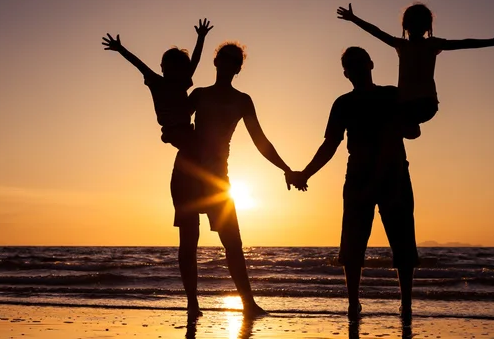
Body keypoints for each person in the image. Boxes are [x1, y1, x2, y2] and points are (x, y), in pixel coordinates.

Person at [286, 47, 418, 321]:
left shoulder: (392, 94)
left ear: (370, 64)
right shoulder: (344, 103)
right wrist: (306, 173)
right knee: (354, 243)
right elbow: (330, 144)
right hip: (360, 175)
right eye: (351, 66)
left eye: (359, 63)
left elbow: (414, 131)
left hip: (393, 174)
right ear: (346, 73)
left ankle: (405, 305)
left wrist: (403, 117)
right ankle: (353, 304)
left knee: (401, 240)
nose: (356, 69)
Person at [173, 41, 295, 318]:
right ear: (216, 62)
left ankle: (248, 304)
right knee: (188, 241)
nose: (229, 64)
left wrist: (285, 168)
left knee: (233, 243)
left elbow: (260, 141)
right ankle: (192, 305)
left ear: (238, 68)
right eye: (225, 59)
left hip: (218, 179)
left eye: (234, 61)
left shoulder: (242, 100)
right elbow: (174, 121)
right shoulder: (199, 94)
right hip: (187, 175)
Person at [336, 3, 494, 139]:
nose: (414, 27)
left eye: (418, 23)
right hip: (412, 104)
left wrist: (491, 42)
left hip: (422, 104)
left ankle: (410, 128)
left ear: (424, 27)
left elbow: (463, 43)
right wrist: (354, 19)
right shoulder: (407, 45)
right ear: (407, 26)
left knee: (388, 118)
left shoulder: (428, 44)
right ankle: (410, 128)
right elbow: (376, 32)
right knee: (386, 114)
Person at [102, 18, 213, 148]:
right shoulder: (158, 82)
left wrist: (201, 37)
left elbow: (195, 60)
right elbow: (138, 63)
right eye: (165, 66)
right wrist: (121, 49)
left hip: (182, 126)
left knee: (198, 93)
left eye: (169, 67)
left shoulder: (180, 80)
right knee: (198, 145)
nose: (164, 69)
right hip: (175, 130)